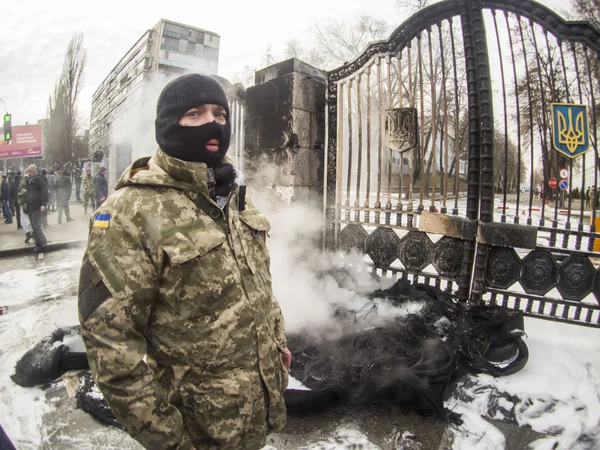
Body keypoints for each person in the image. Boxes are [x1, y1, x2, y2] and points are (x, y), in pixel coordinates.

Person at [78, 73, 290, 450]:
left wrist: (277, 340)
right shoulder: (130, 212)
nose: (213, 124)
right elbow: (111, 347)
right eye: (195, 113)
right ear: (168, 125)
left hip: (254, 414)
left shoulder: (235, 197)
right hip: (196, 432)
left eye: (220, 114)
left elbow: (257, 283)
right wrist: (169, 440)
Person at [23, 165, 48, 252]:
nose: (29, 173)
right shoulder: (28, 180)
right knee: (34, 225)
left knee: (36, 225)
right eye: (28, 171)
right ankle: (43, 240)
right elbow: (27, 193)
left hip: (37, 206)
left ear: (33, 171)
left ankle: (39, 245)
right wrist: (25, 203)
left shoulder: (39, 179)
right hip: (30, 206)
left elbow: (44, 191)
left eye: (30, 171)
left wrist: (43, 204)